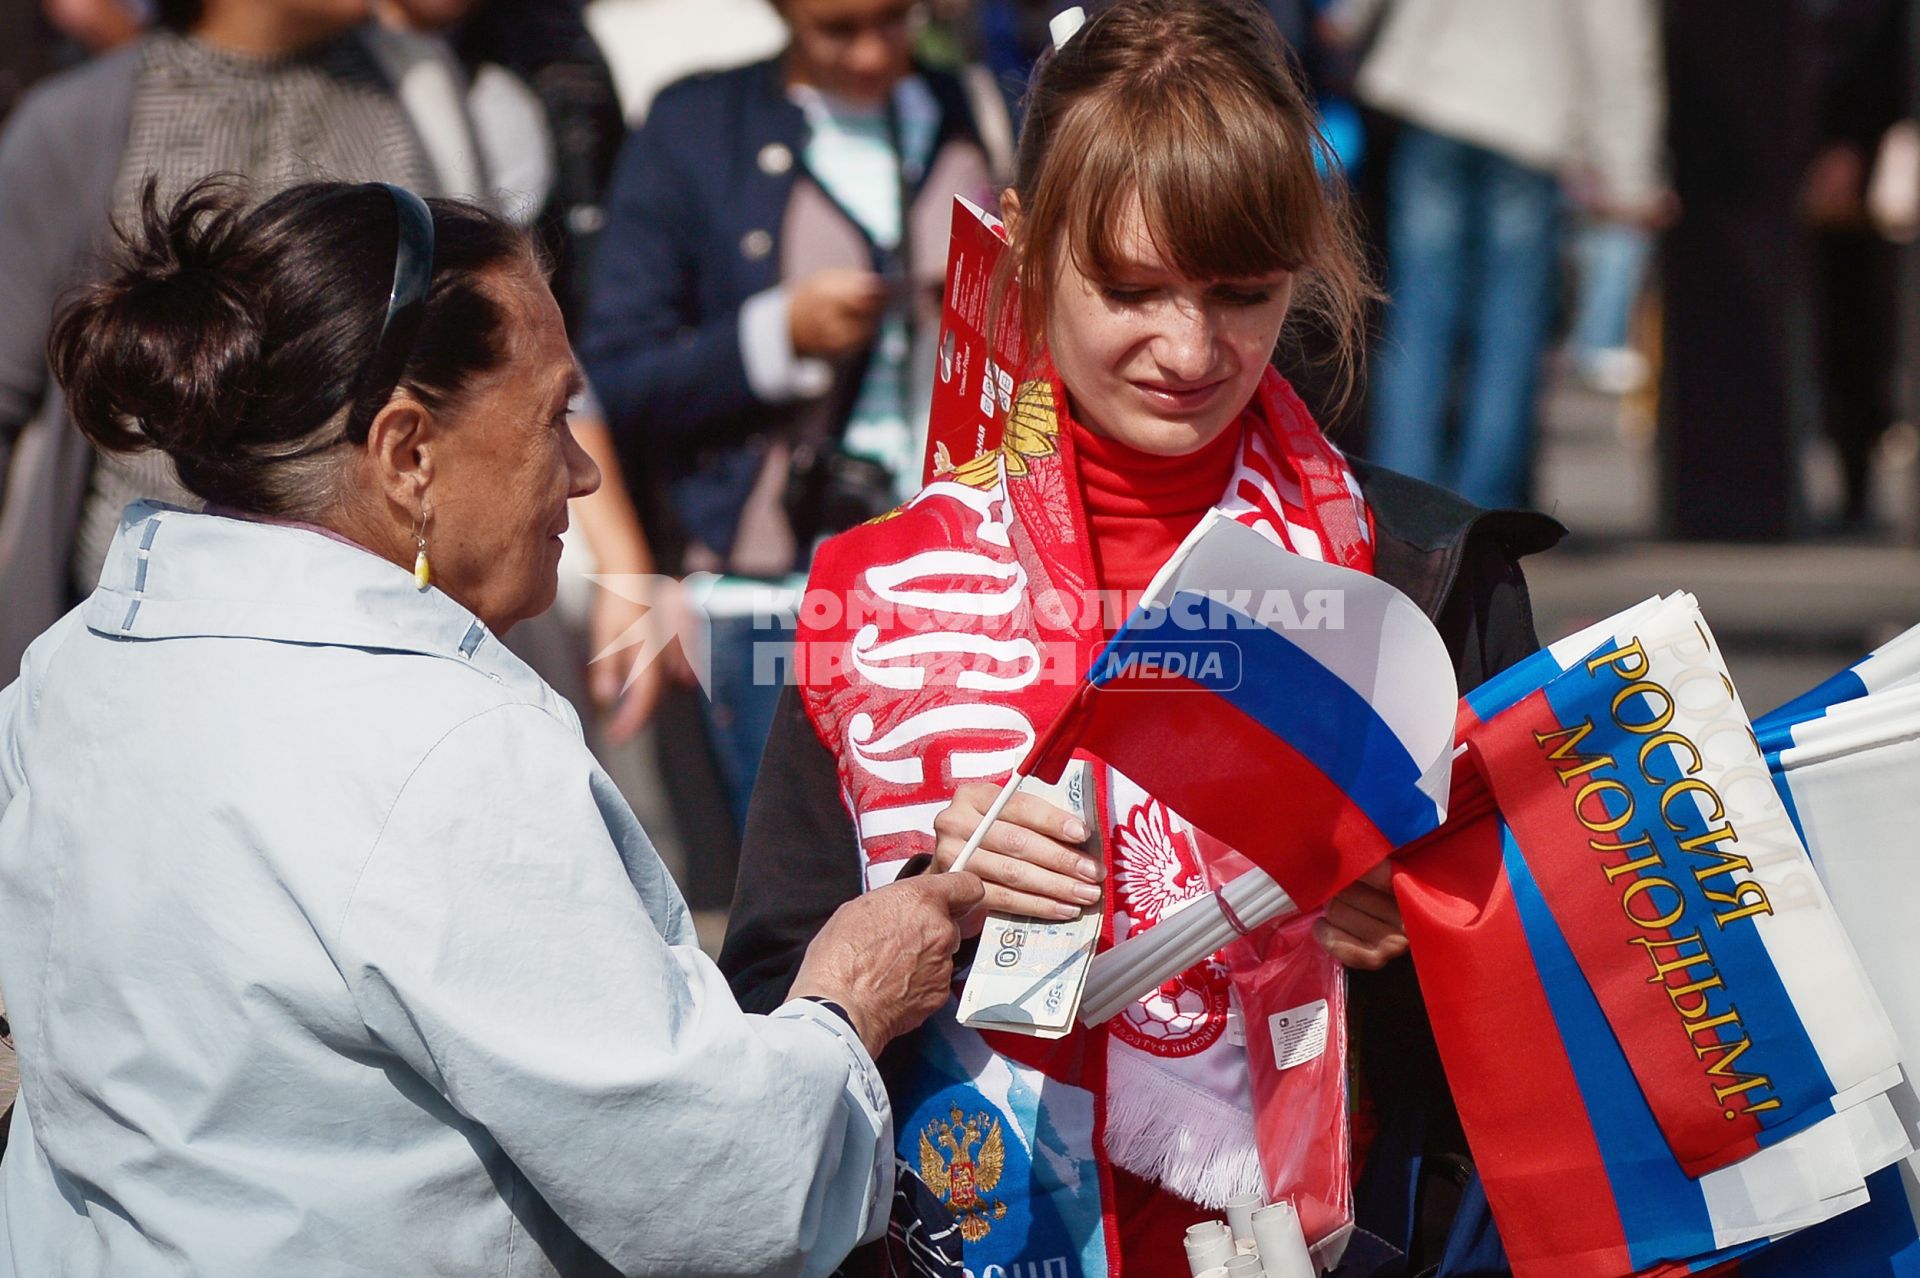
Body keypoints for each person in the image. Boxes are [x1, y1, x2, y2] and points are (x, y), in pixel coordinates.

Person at [0, 177, 985, 1275]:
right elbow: (717, 1188)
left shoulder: (76, 665)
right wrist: (845, 999)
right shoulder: (440, 751)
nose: (582, 470)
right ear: (408, 454)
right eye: (554, 415)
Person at [721, 2, 1562, 1275]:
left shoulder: (1424, 570)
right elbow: (771, 997)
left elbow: (1564, 1008)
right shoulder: (880, 589)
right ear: (1023, 245)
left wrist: (1420, 924)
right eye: (1130, 288)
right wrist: (926, 907)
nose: (1189, 348)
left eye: (1243, 293)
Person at [0, 0, 655, 719]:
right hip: (156, 647)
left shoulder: (419, 91)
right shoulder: (79, 123)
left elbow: (522, 351)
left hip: (405, 639)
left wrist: (623, 562)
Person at [580, 0, 999, 834]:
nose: (875, 53)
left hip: (948, 568)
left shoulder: (964, 104)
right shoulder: (698, 126)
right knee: (809, 900)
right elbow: (613, 375)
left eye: (895, 20)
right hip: (775, 585)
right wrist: (776, 338)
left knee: (947, 882)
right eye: (837, 29)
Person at [1334, 0, 1665, 510]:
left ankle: (1400, 506)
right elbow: (1620, 41)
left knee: (1419, 316)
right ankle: (1480, 514)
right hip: (1528, 119)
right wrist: (1633, 177)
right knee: (1510, 332)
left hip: (1437, 96)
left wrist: (1348, 18)